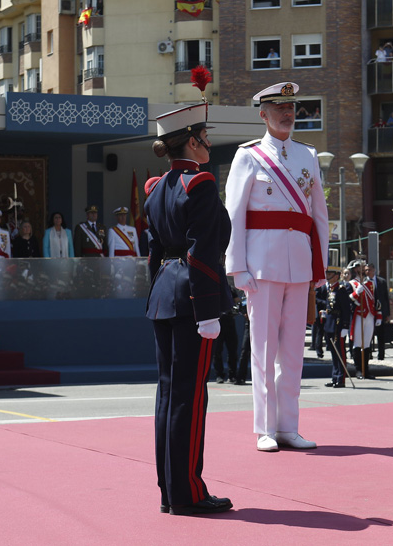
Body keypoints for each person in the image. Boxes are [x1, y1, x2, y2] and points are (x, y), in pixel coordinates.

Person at [225, 81, 328, 452]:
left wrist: (321, 266)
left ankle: (289, 426)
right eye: (280, 110)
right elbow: (234, 215)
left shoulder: (308, 155)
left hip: (299, 264)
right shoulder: (248, 156)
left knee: (292, 353)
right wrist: (237, 267)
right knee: (263, 351)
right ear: (263, 115)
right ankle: (264, 428)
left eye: (292, 109)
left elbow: (319, 215)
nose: (288, 115)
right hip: (261, 266)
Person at [144, 101, 232, 516]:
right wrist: (207, 310)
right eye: (205, 137)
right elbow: (203, 251)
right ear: (193, 141)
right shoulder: (200, 184)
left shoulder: (157, 187)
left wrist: (161, 293)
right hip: (192, 300)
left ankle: (170, 490)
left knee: (168, 396)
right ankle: (188, 493)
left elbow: (154, 254)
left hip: (165, 294)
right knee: (189, 398)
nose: (209, 143)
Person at [320, 266, 351, 387]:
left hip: (338, 324)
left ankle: (341, 379)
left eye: (330, 274)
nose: (327, 276)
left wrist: (345, 326)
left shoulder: (341, 290)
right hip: (329, 323)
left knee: (340, 352)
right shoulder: (330, 289)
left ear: (336, 276)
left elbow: (346, 309)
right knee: (333, 353)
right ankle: (334, 377)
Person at [347, 259, 377, 379]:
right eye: (359, 267)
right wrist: (356, 294)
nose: (361, 270)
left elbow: (376, 301)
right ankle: (358, 370)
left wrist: (378, 316)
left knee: (367, 343)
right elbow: (347, 300)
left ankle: (366, 369)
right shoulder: (351, 284)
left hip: (369, 315)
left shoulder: (370, 284)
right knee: (358, 343)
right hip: (358, 315)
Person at [367, 262, 390, 361]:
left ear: (374, 270)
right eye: (366, 270)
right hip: (369, 312)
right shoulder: (364, 282)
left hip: (380, 312)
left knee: (381, 335)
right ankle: (369, 354)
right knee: (369, 335)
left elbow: (386, 298)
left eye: (369, 270)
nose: (368, 272)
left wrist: (387, 314)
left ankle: (381, 355)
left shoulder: (381, 281)